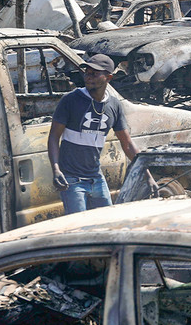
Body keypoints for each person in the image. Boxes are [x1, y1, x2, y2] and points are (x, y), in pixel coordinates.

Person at [48, 54, 143, 214]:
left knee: (106, 221)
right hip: (72, 180)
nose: (88, 76)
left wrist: (146, 172)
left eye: (94, 73)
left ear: (109, 78)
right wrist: (56, 170)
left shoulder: (114, 105)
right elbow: (54, 137)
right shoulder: (71, 100)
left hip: (96, 178)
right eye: (87, 72)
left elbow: (127, 144)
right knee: (78, 225)